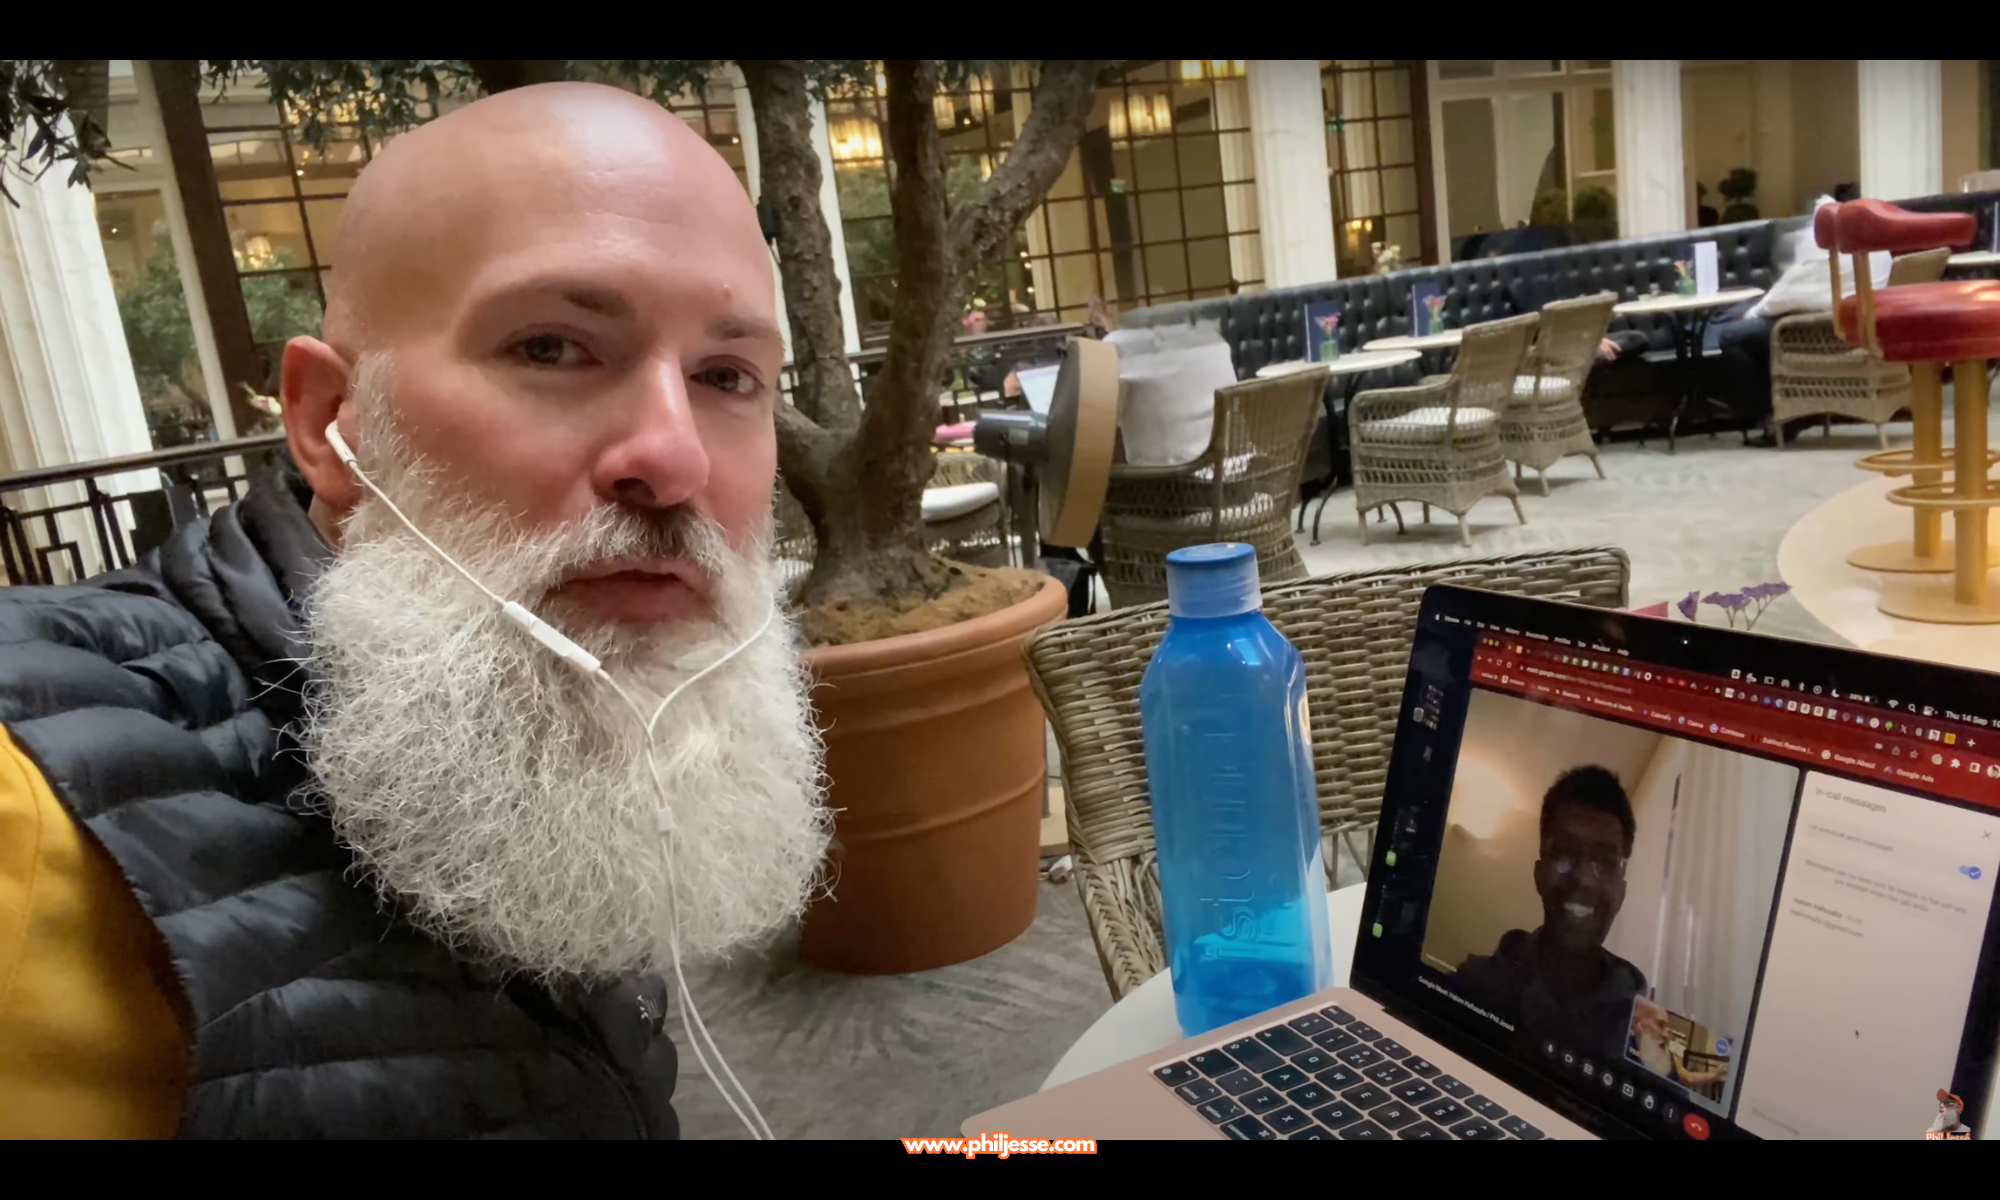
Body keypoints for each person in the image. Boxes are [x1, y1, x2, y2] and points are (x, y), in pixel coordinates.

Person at [0, 83, 830, 1138]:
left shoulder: (549, 700)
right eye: (550, 347)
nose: (672, 459)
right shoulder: (28, 810)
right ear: (326, 420)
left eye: (726, 374)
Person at [1452, 766, 1647, 1063]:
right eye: (1565, 853)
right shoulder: (1473, 985)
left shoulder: (1645, 1037)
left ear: (1621, 893)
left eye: (1606, 862)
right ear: (1539, 874)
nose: (1584, 879)